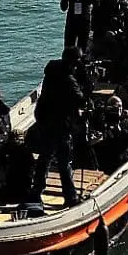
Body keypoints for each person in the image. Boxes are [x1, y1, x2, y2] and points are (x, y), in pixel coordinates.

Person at [29, 55, 85, 207]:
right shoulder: (67, 79)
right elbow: (80, 98)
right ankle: (70, 197)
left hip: (45, 121)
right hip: (61, 124)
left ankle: (36, 192)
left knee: (44, 158)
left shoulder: (51, 73)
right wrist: (88, 84)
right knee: (64, 162)